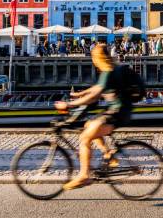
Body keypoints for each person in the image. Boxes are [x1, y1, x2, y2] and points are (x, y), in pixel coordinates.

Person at [54, 44, 140, 190]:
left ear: (97, 58)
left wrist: (69, 105)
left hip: (117, 113)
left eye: (93, 57)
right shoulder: (111, 69)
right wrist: (80, 94)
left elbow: (94, 96)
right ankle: (108, 154)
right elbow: (97, 88)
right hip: (118, 111)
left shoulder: (108, 72)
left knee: (85, 138)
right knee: (89, 125)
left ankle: (84, 176)